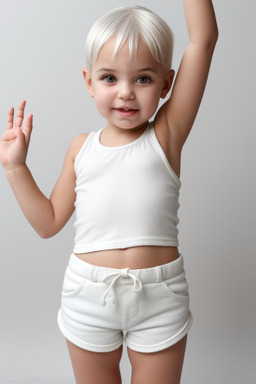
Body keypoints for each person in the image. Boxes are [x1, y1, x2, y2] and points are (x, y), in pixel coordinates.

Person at [0, 1, 218, 383]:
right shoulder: (81, 148)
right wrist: (15, 167)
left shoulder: (166, 135)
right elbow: (48, 222)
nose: (126, 93)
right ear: (89, 82)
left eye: (143, 79)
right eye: (110, 78)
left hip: (160, 298)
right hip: (88, 296)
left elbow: (203, 39)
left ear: (167, 83)